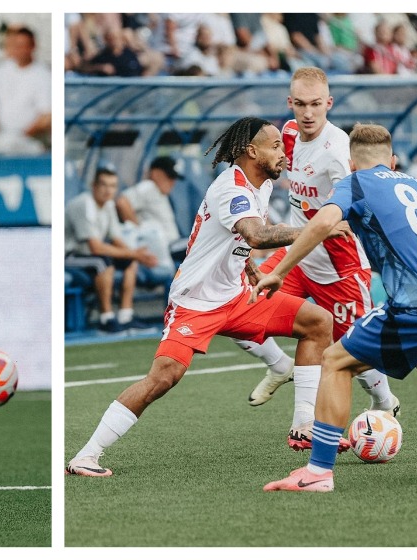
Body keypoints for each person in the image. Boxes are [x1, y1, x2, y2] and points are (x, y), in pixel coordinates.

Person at [66, 117, 350, 477]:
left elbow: (239, 240)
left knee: (317, 322)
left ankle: (304, 425)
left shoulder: (261, 184)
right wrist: (318, 229)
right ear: (252, 151)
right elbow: (257, 235)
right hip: (195, 302)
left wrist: (249, 268)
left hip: (237, 296)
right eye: (276, 145)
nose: (284, 152)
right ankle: (86, 456)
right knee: (163, 378)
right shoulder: (231, 189)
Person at [256, 123, 417, 492]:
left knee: (335, 361)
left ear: (351, 164)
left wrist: (279, 271)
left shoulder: (356, 183)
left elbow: (323, 222)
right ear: (392, 161)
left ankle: (318, 473)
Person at [234, 67, 398, 452]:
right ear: (290, 103)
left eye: (316, 104)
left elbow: (355, 206)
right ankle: (281, 371)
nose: (308, 113)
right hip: (297, 258)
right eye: (301, 104)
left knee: (351, 351)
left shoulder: (338, 151)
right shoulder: (288, 132)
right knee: (238, 305)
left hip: (339, 267)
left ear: (329, 103)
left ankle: (384, 400)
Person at [65, 165, 159, 333]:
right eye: (104, 185)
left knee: (129, 262)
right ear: (94, 186)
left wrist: (136, 256)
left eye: (113, 186)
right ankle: (106, 319)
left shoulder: (108, 205)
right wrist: (135, 254)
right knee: (103, 263)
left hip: (88, 255)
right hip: (68, 255)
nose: (108, 190)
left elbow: (116, 239)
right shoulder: (83, 204)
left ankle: (125, 316)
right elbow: (95, 247)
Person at [115, 155, 185, 285]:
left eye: (174, 178)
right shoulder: (148, 186)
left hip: (170, 247)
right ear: (155, 173)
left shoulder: (160, 193)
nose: (173, 182)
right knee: (202, 244)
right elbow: (122, 202)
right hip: (165, 247)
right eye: (169, 177)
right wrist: (139, 230)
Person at [0, 27, 51, 146]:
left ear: (33, 46)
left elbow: (47, 115)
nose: (19, 50)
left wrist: (21, 137)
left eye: (23, 46)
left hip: (31, 141)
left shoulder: (44, 75)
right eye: (16, 46)